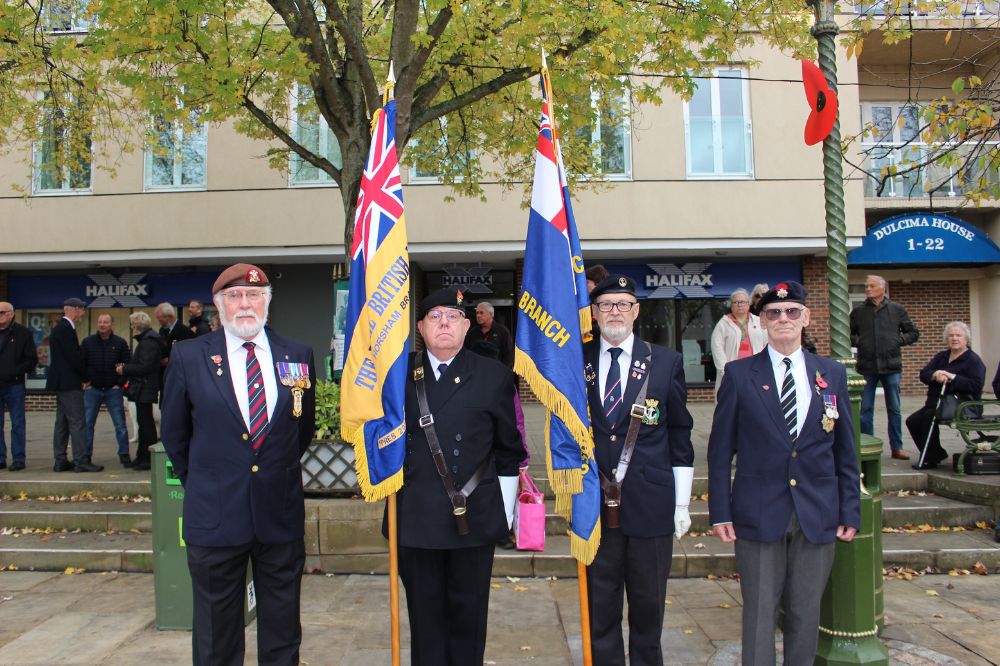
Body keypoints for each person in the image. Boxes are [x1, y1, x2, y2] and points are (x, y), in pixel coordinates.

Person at [161, 263, 316, 665]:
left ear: (267, 302)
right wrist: (209, 482)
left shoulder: (297, 355)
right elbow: (175, 437)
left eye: (253, 295)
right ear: (218, 305)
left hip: (278, 514)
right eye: (234, 296)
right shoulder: (189, 356)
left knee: (283, 630)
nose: (244, 304)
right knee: (216, 635)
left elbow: (301, 431)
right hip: (215, 515)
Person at [708, 281, 860, 665]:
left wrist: (850, 510)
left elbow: (846, 450)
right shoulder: (740, 375)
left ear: (806, 317)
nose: (783, 319)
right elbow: (720, 451)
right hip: (758, 511)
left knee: (806, 613)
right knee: (758, 613)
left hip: (818, 510)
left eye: (792, 311)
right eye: (774, 313)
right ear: (762, 321)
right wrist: (720, 512)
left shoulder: (832, 374)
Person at [391, 286, 522, 665]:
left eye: (453, 316)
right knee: (425, 619)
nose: (444, 323)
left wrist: (507, 511)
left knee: (469, 617)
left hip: (474, 515)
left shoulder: (494, 375)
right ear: (420, 326)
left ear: (467, 326)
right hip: (416, 516)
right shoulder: (396, 374)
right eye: (435, 317)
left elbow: (509, 450)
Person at [584, 275, 694, 666]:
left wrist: (682, 505)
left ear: (637, 311)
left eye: (623, 304)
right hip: (593, 506)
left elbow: (680, 435)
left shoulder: (665, 362)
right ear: (594, 314)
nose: (615, 311)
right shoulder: (573, 363)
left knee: (649, 608)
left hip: (650, 503)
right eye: (606, 305)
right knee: (600, 607)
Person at [850, 275, 920, 461]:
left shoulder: (896, 310)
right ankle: (867, 445)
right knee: (865, 409)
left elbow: (913, 333)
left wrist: (898, 341)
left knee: (894, 409)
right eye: (866, 286)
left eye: (871, 286)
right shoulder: (859, 311)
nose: (867, 289)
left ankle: (897, 447)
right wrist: (861, 342)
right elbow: (848, 334)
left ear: (883, 288)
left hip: (891, 367)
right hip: (867, 367)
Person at [906, 321, 986, 470]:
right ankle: (935, 454)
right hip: (937, 403)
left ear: (966, 339)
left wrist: (953, 377)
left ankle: (929, 459)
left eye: (958, 335)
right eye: (951, 335)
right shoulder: (942, 357)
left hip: (963, 406)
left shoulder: (973, 360)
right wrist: (935, 374)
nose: (954, 338)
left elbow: (976, 385)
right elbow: (924, 373)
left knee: (929, 416)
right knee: (913, 421)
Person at [48, 298, 103, 473]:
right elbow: (73, 357)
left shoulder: (60, 328)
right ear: (76, 309)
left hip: (61, 382)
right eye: (82, 310)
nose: (83, 314)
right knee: (78, 422)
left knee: (62, 422)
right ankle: (81, 460)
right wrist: (86, 376)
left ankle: (60, 460)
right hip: (69, 383)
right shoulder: (66, 329)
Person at [82, 314, 132, 467]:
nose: (102, 325)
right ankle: (85, 455)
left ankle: (124, 454)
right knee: (88, 424)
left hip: (113, 389)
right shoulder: (88, 342)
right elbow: (81, 363)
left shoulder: (120, 343)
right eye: (100, 322)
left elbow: (127, 364)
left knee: (120, 425)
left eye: (105, 322)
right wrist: (85, 381)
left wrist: (120, 383)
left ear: (112, 324)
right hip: (93, 389)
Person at [116, 313, 165, 471]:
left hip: (144, 387)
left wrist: (125, 368)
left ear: (137, 326)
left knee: (146, 423)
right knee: (143, 422)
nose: (131, 328)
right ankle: (141, 455)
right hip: (144, 387)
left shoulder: (148, 342)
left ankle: (147, 458)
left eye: (132, 325)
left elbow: (145, 367)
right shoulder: (149, 340)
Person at [710, 288, 767, 399]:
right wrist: (724, 370)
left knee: (756, 399)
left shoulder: (758, 321)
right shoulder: (723, 324)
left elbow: (767, 343)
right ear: (731, 305)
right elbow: (717, 347)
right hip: (732, 371)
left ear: (748, 304)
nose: (739, 305)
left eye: (742, 302)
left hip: (756, 369)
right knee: (733, 401)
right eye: (736, 302)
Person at [0, 302, 37, 471]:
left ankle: (18, 458)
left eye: (1, 312)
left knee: (17, 423)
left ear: (11, 314)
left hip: (14, 385)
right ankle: (1, 458)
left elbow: (31, 359)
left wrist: (15, 371)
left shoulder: (23, 333)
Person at [463, 301, 514, 368]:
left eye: (481, 313)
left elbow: (509, 354)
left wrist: (502, 371)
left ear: (491, 314)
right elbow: (466, 352)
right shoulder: (473, 332)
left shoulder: (502, 331)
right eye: (477, 313)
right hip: (476, 372)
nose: (478, 315)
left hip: (496, 371)